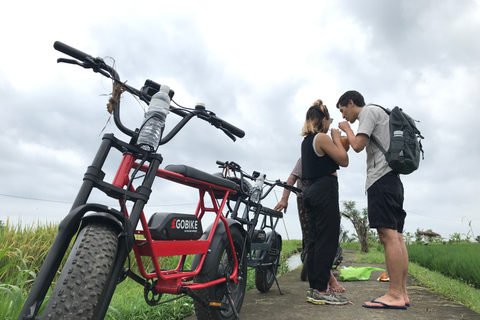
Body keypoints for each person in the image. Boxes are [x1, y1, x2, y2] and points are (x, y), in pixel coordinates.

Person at [337, 90, 409, 310]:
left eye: (342, 110)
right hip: (393, 180)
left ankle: (395, 294)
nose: (343, 116)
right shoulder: (382, 113)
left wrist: (347, 130)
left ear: (351, 103)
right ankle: (402, 293)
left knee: (388, 237)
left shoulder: (368, 111)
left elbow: (357, 146)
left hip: (381, 180)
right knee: (397, 237)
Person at [300, 100, 348, 305]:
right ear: (324, 120)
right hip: (324, 190)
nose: (331, 125)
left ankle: (315, 288)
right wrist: (336, 137)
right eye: (330, 120)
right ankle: (320, 290)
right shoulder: (321, 137)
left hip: (310, 191)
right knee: (326, 241)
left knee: (315, 241)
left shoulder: (306, 141)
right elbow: (344, 160)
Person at [274, 158, 345, 293]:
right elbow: (291, 178)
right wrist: (284, 200)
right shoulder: (306, 157)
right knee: (314, 240)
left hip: (321, 198)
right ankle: (327, 281)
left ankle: (321, 279)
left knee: (319, 239)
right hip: (308, 199)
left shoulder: (324, 159)